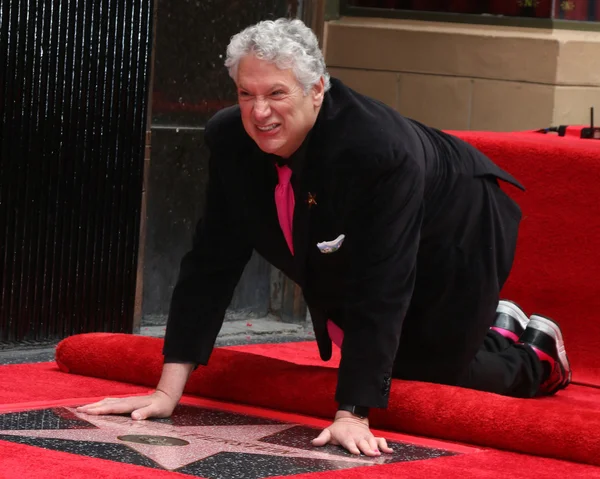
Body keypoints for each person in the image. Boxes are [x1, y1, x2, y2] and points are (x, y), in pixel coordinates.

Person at [78, 18, 571, 457]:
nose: (259, 112)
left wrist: (352, 413)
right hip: (374, 236)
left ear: (317, 89)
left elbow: (383, 282)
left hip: (459, 222)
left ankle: (537, 352)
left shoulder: (376, 151)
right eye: (246, 95)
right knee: (390, 358)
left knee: (431, 377)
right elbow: (211, 261)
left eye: (276, 94)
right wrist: (167, 393)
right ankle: (496, 324)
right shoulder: (231, 140)